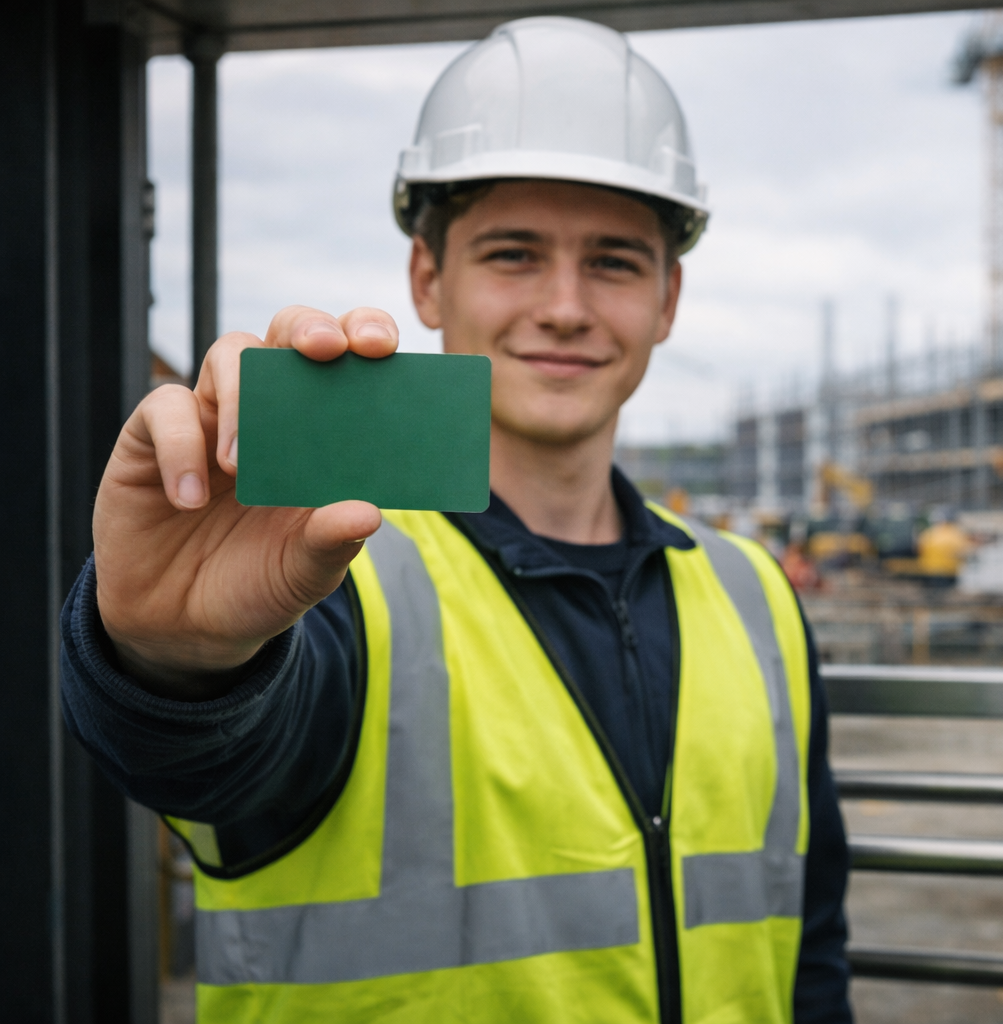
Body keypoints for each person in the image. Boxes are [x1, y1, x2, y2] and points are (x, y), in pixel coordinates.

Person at [59, 17, 850, 1024]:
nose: (565, 306)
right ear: (427, 280)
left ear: (669, 296)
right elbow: (216, 753)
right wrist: (171, 660)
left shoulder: (757, 597)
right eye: (514, 254)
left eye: (613, 260)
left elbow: (810, 948)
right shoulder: (332, 581)